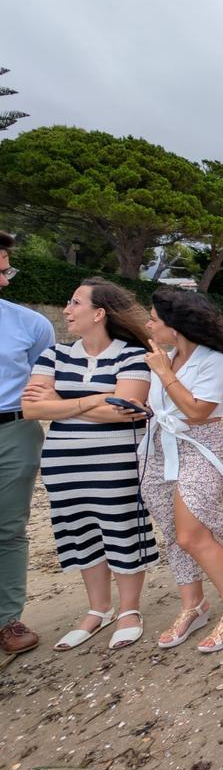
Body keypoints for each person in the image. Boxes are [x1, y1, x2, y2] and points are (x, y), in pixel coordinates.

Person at [22, 279, 157, 651]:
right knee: (80, 532)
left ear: (99, 313)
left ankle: (129, 610)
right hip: (62, 463)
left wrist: (62, 400)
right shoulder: (53, 355)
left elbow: (129, 411)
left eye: (75, 302)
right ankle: (98, 610)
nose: (67, 309)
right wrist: (93, 399)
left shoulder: (132, 354)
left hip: (115, 462)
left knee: (122, 528)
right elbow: (32, 408)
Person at [141, 289, 223, 653]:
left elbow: (198, 412)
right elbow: (160, 406)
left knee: (191, 534)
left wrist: (165, 374)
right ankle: (193, 606)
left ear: (176, 326)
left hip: (201, 447)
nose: (148, 324)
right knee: (174, 532)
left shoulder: (217, 364)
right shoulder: (165, 357)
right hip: (159, 449)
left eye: (154, 318)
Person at [0, 232, 55, 656]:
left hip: (13, 430)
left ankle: (6, 620)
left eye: (7, 270)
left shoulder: (31, 324)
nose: (5, 280)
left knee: (9, 527)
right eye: (0, 271)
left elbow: (46, 384)